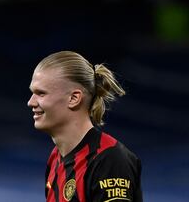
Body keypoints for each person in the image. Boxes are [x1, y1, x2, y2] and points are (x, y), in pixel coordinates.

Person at [27, 51, 143, 202]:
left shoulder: (108, 160)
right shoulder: (55, 158)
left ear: (74, 98)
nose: (31, 102)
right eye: (32, 93)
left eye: (41, 93)